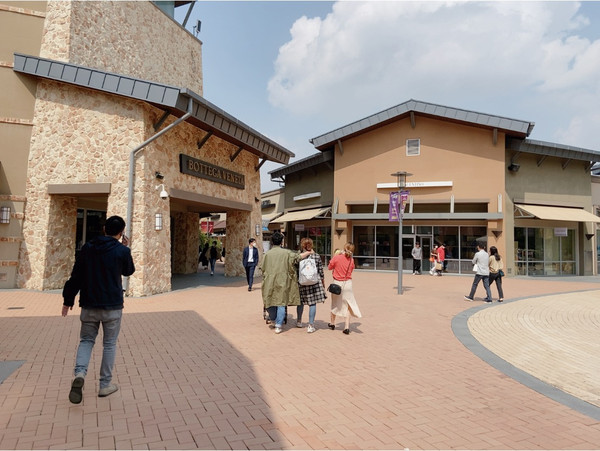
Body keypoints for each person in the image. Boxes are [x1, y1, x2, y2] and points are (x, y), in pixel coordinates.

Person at [61, 215, 135, 404]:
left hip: (89, 304)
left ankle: (80, 374)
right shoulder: (121, 251)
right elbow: (128, 271)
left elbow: (76, 275)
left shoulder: (88, 248)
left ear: (104, 229)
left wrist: (68, 300)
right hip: (112, 306)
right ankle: (104, 385)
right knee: (109, 344)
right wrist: (125, 249)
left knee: (86, 341)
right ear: (121, 233)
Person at [260, 231, 313, 334]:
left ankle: (273, 318)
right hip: (283, 281)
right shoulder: (287, 253)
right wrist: (308, 252)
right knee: (281, 302)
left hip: (269, 281)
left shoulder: (267, 254)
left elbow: (262, 268)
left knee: (269, 300)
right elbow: (297, 257)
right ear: (281, 242)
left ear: (272, 242)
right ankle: (278, 325)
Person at [328, 242, 362, 335]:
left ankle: (332, 323)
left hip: (337, 283)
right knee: (347, 305)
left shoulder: (337, 257)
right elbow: (351, 270)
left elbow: (329, 267)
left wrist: (336, 257)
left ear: (344, 248)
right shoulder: (351, 260)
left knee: (335, 303)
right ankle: (346, 327)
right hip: (347, 284)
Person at [296, 238, 327, 333]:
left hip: (302, 282)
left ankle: (299, 321)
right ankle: (311, 325)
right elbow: (320, 271)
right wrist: (323, 282)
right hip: (314, 282)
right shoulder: (316, 256)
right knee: (312, 303)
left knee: (301, 302)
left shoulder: (299, 256)